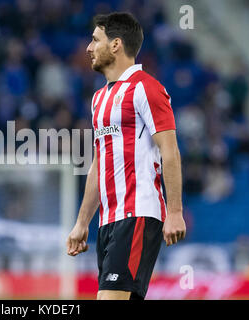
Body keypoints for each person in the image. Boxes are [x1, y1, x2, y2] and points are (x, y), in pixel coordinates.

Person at [66, 12, 186, 300]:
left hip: (138, 213)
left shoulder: (146, 87)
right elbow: (99, 163)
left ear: (116, 44)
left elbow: (170, 151)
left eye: (95, 40)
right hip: (108, 222)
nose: (88, 48)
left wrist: (176, 212)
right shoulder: (99, 99)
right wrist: (83, 222)